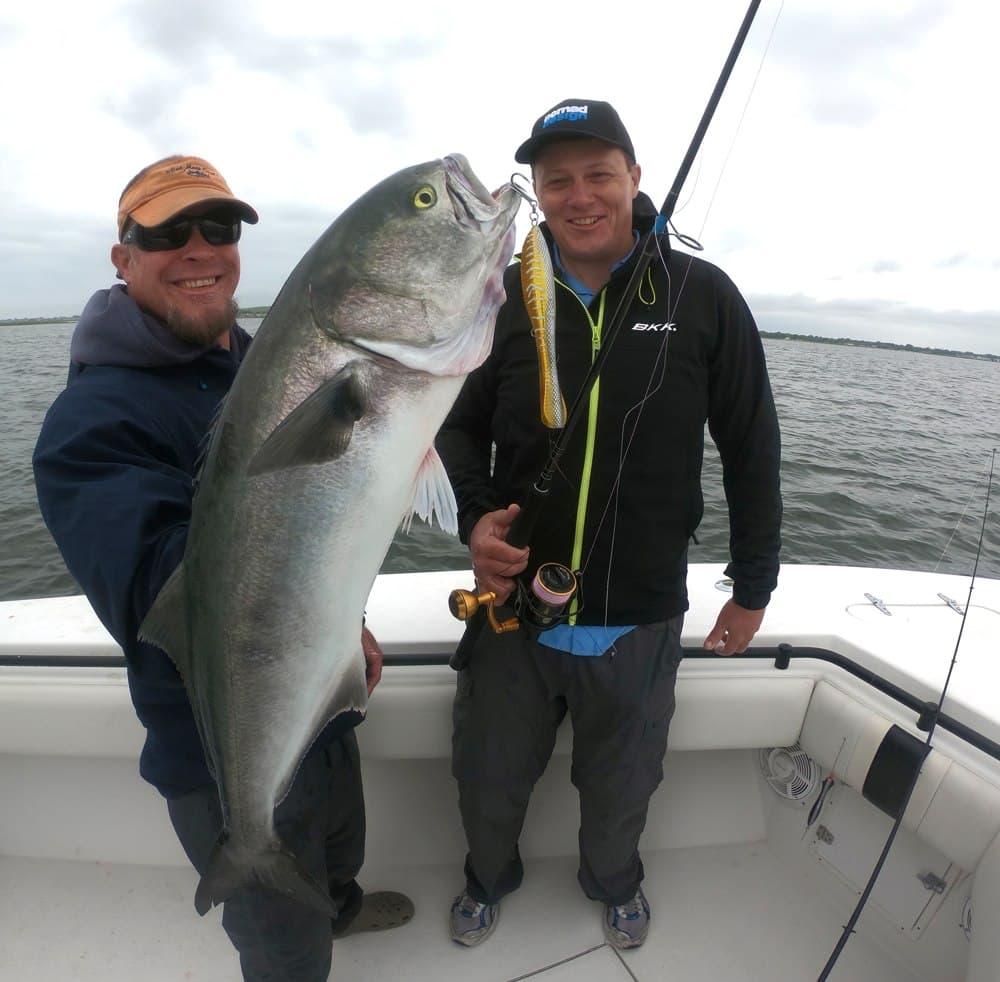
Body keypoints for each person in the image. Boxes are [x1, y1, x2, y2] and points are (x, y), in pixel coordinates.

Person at [32, 155, 413, 981]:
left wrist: (341, 623)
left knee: (338, 846)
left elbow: (312, 529)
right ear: (122, 256)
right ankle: (290, 929)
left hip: (319, 696)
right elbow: (163, 597)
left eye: (221, 228)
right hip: (218, 745)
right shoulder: (88, 424)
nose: (201, 249)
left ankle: (338, 907)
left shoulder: (259, 365)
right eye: (167, 233)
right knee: (282, 945)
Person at [437, 99, 782, 950]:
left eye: (599, 174)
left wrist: (754, 585)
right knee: (488, 777)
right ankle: (487, 879)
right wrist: (475, 521)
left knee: (624, 783)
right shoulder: (500, 298)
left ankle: (613, 880)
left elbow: (751, 445)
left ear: (635, 179)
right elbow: (451, 425)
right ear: (539, 194)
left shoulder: (704, 295)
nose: (580, 195)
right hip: (513, 608)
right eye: (559, 180)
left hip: (641, 614)